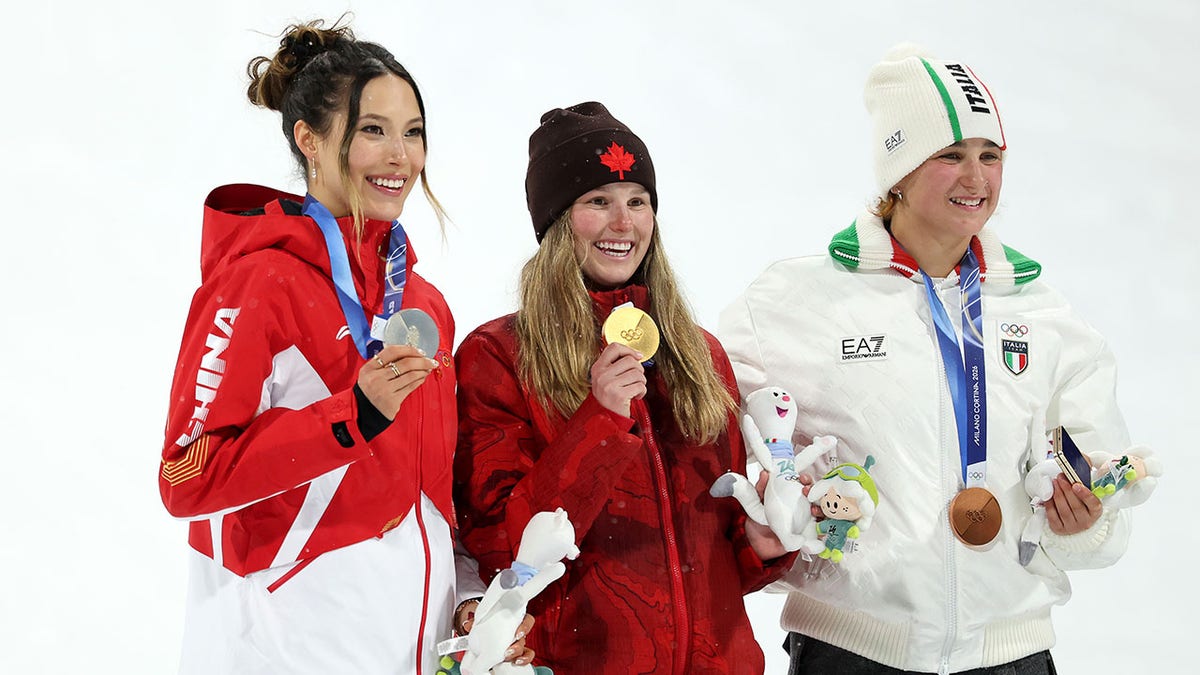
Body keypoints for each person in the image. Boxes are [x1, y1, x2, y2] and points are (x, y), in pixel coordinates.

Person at [719, 45, 1149, 674]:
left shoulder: (1044, 315)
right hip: (853, 652)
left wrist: (1084, 518)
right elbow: (714, 452)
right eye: (950, 156)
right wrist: (780, 502)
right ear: (897, 170)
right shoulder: (794, 303)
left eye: (990, 156)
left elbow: (1099, 489)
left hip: (1012, 654)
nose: (976, 179)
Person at [157, 20, 531, 674]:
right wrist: (348, 417)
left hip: (408, 652)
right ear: (310, 140)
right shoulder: (257, 284)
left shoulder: (424, 304)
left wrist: (467, 593)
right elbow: (185, 475)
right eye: (372, 130)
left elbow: (432, 497)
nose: (400, 156)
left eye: (413, 133)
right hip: (279, 648)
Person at [453, 101, 793, 674]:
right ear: (557, 221)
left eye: (638, 201)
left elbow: (720, 550)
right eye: (597, 202)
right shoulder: (499, 356)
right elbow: (500, 551)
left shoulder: (698, 353)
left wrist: (761, 541)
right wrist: (601, 422)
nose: (624, 222)